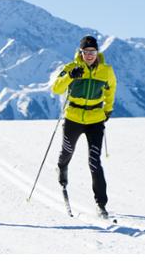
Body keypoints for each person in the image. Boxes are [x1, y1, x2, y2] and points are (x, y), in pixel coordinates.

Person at [52, 35, 117, 219]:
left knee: (94, 162)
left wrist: (108, 109)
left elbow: (111, 88)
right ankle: (62, 168)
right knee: (67, 151)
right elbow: (56, 88)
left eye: (93, 52)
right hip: (73, 117)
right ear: (80, 53)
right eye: (86, 52)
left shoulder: (106, 71)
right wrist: (70, 77)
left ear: (97, 53)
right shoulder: (71, 68)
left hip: (95, 119)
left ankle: (101, 204)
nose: (89, 55)